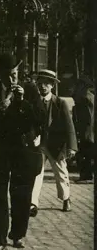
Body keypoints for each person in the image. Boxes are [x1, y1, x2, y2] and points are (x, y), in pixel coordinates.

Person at [0, 54, 46, 250]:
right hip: (0, 152)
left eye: (15, 74)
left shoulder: (31, 90)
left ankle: (17, 234)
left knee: (21, 195)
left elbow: (40, 119)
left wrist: (23, 102)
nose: (12, 79)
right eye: (7, 76)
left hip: (23, 152)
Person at [30, 70, 77, 214]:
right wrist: (32, 137)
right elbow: (30, 123)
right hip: (39, 144)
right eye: (40, 84)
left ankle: (65, 198)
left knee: (61, 172)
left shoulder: (60, 103)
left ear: (52, 86)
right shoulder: (34, 103)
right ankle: (33, 203)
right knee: (36, 173)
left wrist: (71, 147)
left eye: (46, 84)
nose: (42, 86)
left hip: (56, 144)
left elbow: (69, 126)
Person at [72, 77, 94, 183]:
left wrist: (84, 133)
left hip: (86, 132)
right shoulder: (87, 96)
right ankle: (86, 175)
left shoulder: (85, 98)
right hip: (87, 132)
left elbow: (89, 118)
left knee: (84, 154)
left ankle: (86, 176)